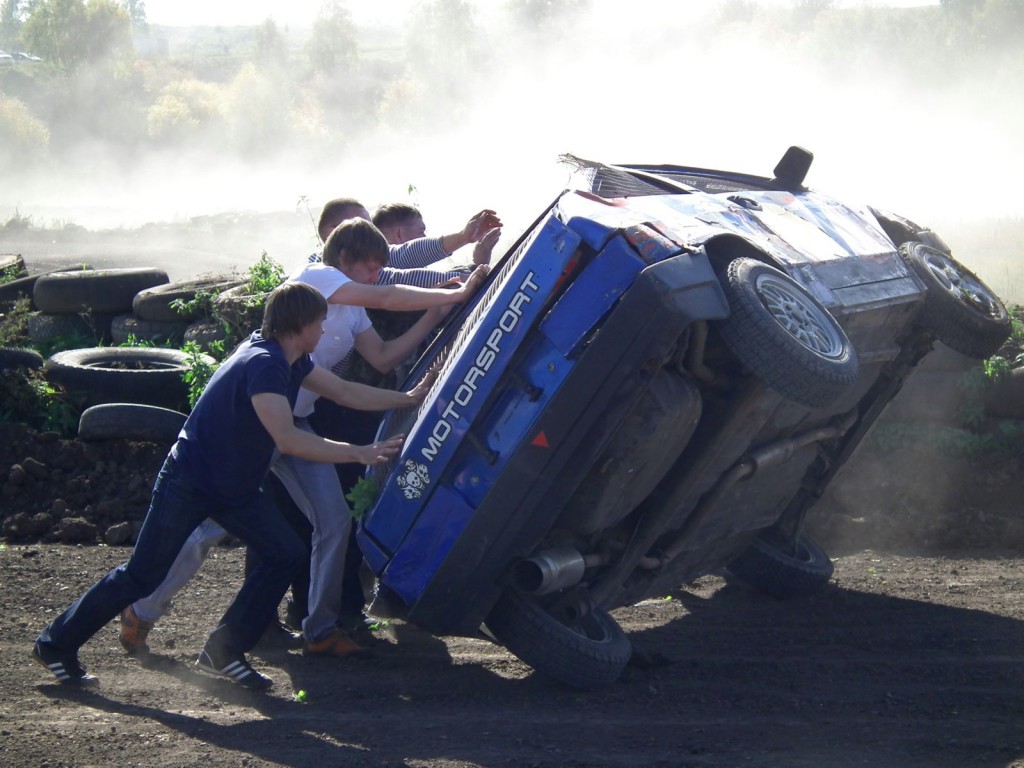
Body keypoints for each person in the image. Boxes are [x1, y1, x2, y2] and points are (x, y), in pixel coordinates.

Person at [118, 220, 489, 659]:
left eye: (378, 267)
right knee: (209, 529)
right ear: (343, 260)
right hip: (256, 429)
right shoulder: (316, 278)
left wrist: (431, 322)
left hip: (300, 425)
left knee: (334, 520)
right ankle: (142, 610)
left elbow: (384, 357)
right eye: (370, 267)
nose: (376, 275)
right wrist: (457, 293)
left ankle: (321, 628)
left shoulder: (353, 310)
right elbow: (388, 294)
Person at [33, 282, 430, 690]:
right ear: (300, 324)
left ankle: (224, 649)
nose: (324, 332)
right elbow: (288, 440)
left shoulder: (291, 359)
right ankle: (56, 644)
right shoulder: (264, 364)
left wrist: (409, 398)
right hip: (191, 480)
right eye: (320, 323)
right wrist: (359, 453)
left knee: (285, 553)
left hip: (233, 486)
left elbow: (344, 391)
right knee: (141, 575)